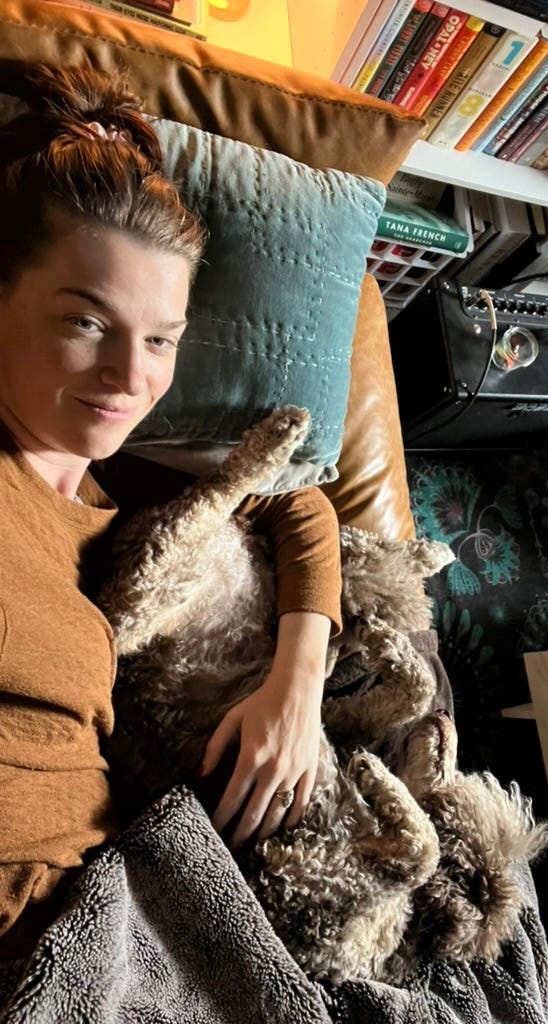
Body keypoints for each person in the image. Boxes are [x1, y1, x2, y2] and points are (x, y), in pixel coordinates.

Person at [0, 63, 341, 956]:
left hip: (126, 913)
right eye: (84, 322)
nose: (130, 377)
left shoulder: (117, 482)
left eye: (161, 341)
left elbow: (296, 502)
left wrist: (294, 688)